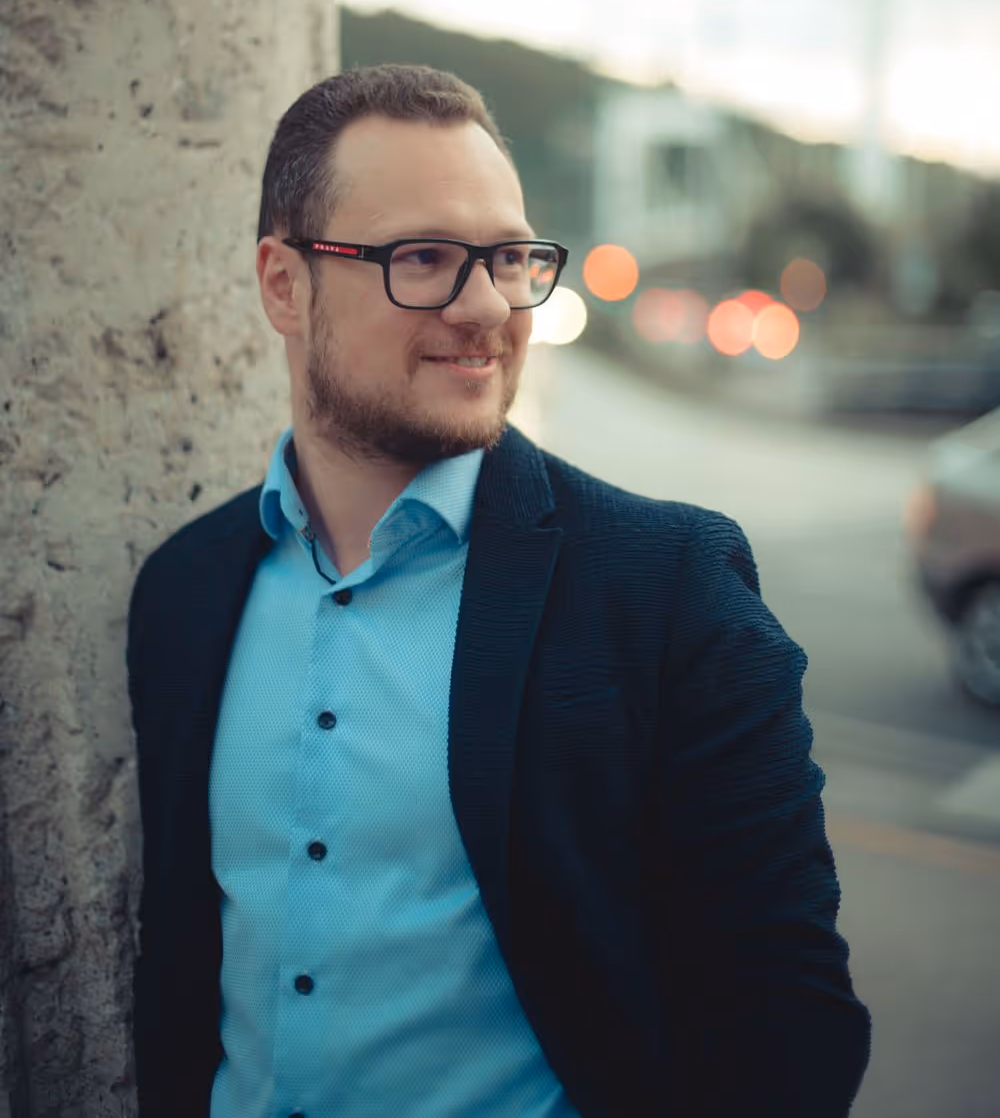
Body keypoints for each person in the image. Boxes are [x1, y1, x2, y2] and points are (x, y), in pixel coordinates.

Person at [127, 63, 871, 1118]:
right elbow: (182, 976)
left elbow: (788, 1023)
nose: (486, 307)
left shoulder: (668, 591)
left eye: (511, 258)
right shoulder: (182, 593)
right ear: (283, 284)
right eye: (424, 257)